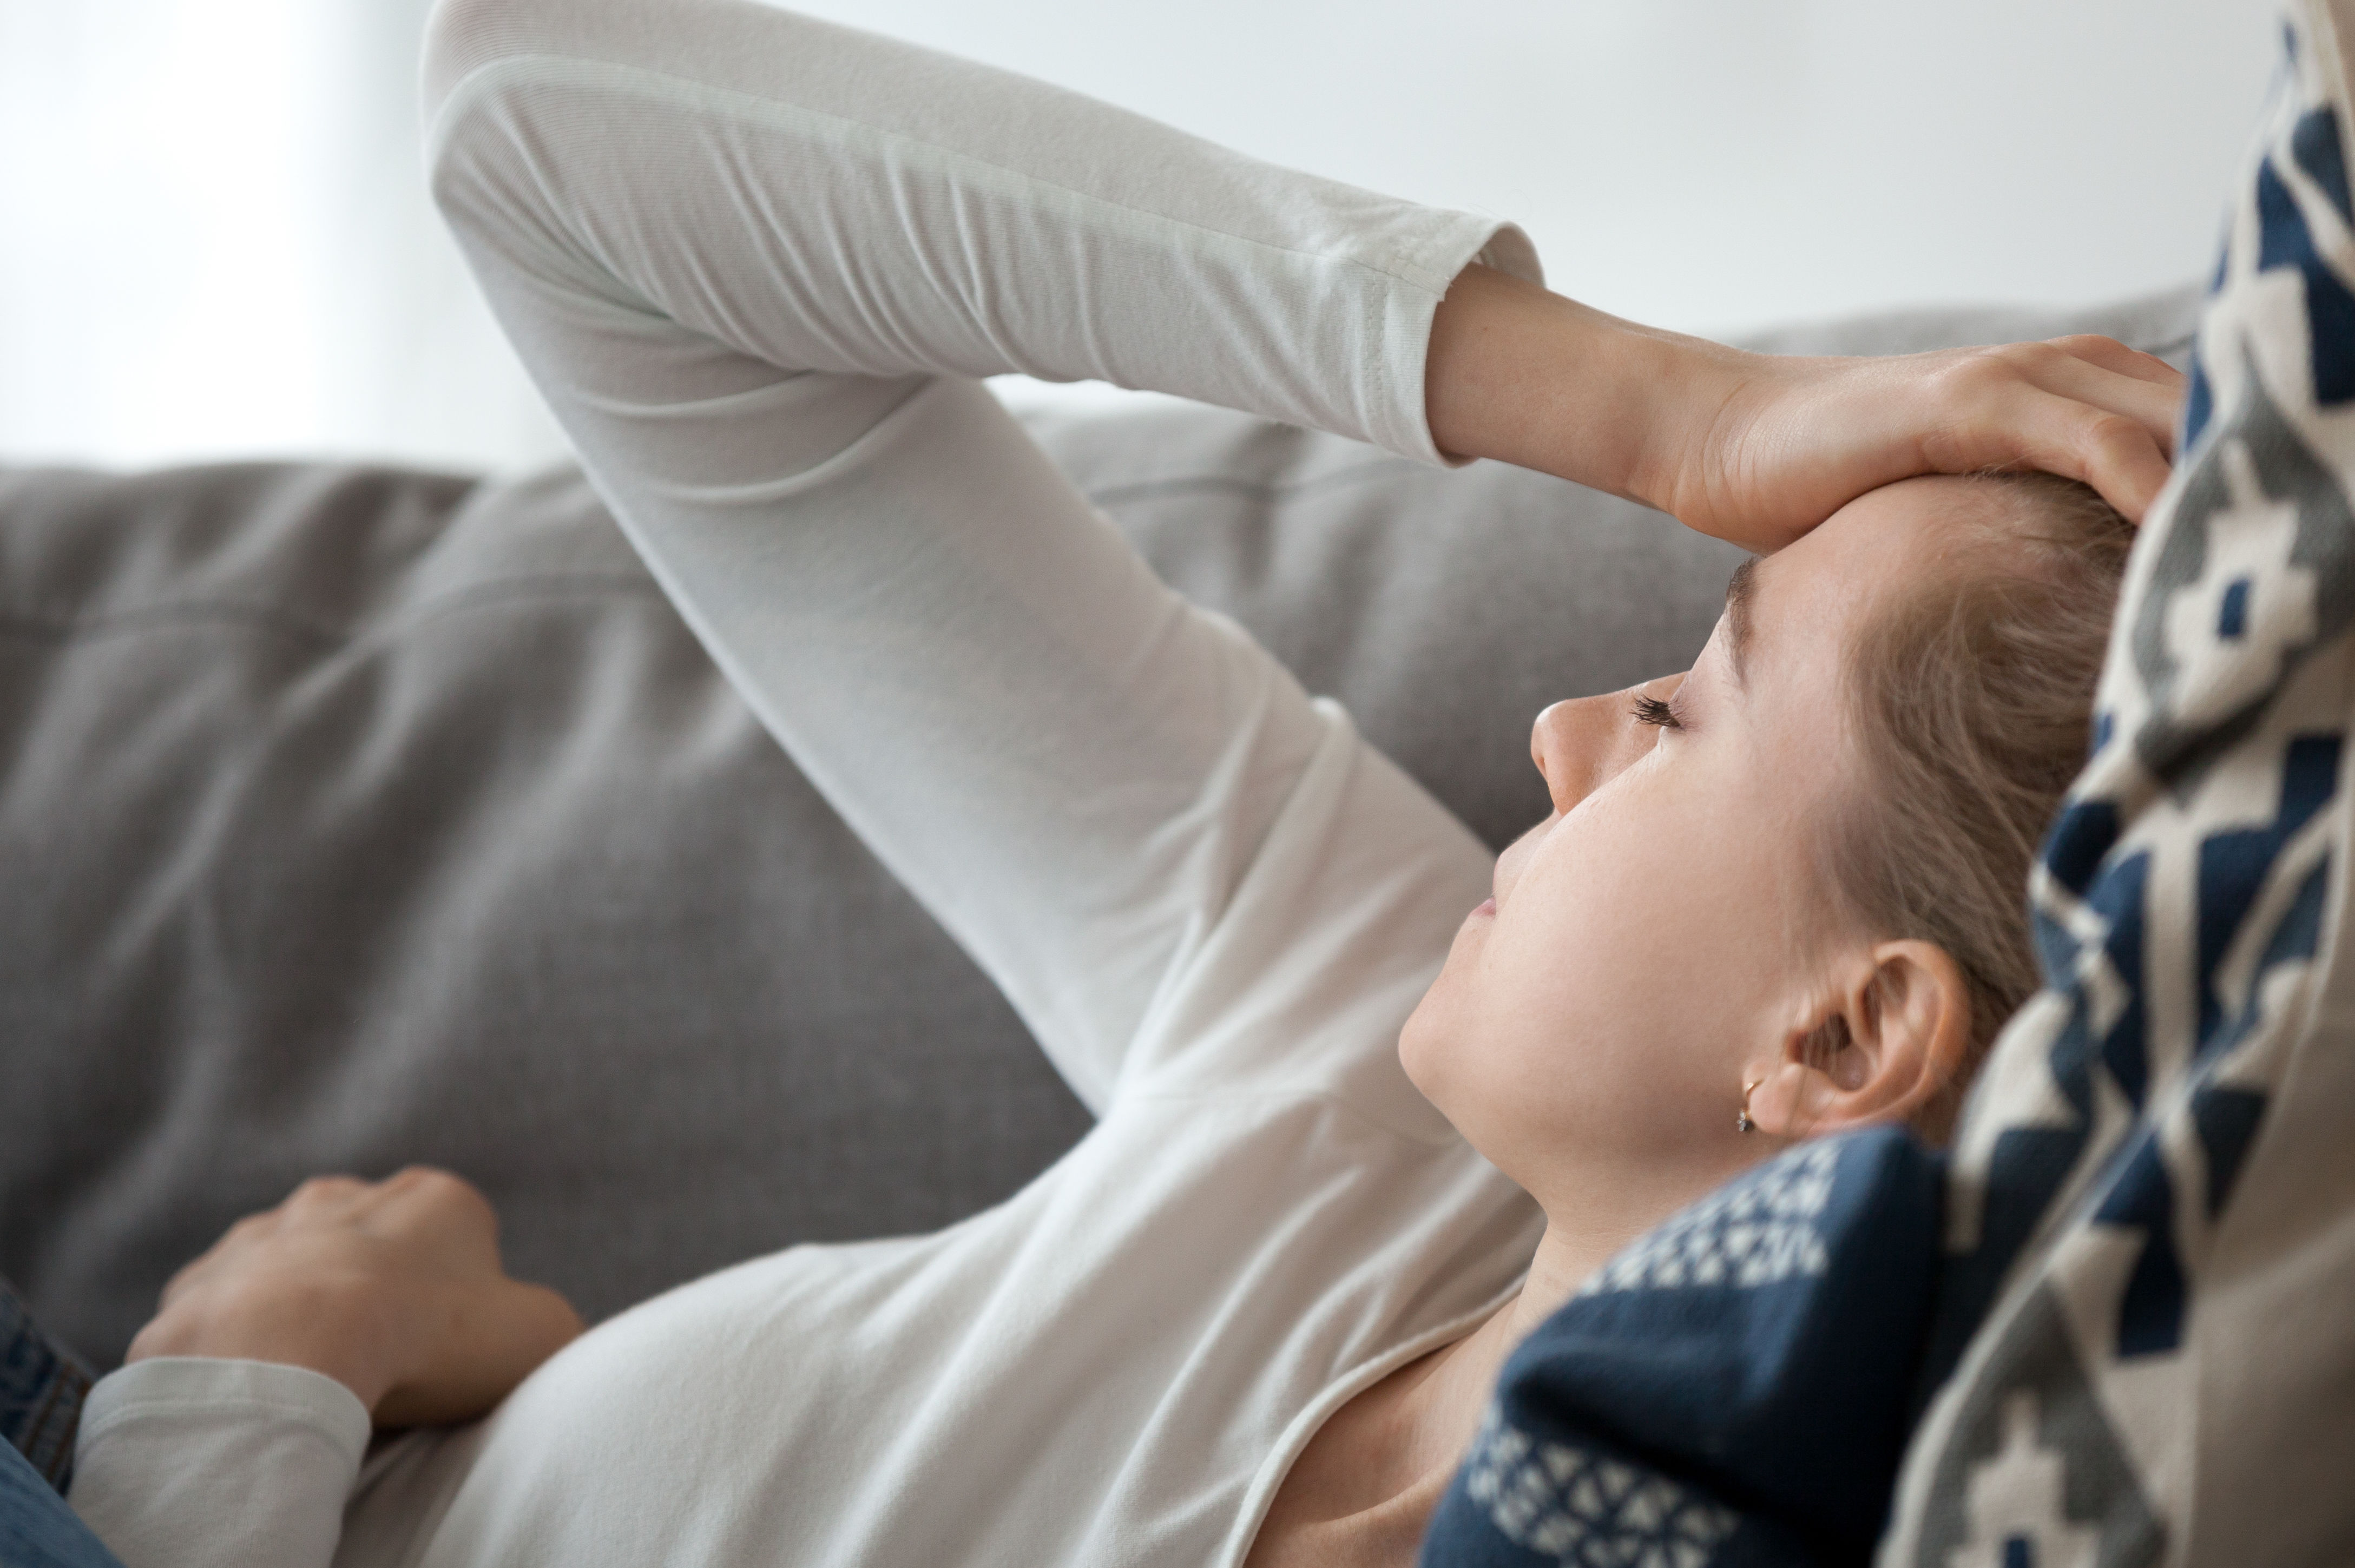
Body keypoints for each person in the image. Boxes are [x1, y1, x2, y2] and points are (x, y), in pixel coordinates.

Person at [59, 1, 2183, 1564]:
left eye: (1681, 711)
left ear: (1836, 1032)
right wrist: (1659, 408)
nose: (1554, 730)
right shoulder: (1332, 1057)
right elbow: (545, 135)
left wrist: (252, 1383)